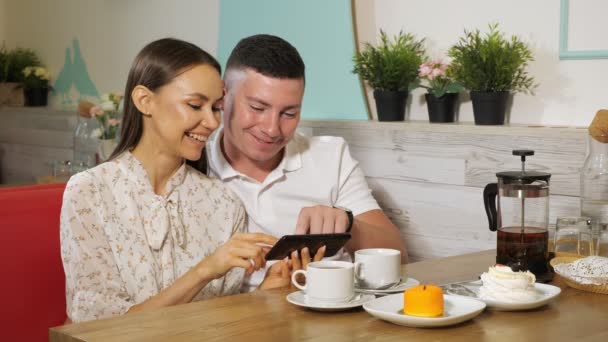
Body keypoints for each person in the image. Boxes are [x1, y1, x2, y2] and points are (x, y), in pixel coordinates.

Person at [60, 38, 296, 323]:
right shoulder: (90, 192)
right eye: (195, 105)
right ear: (144, 100)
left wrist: (266, 292)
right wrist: (205, 270)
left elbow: (224, 324)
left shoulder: (225, 204)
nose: (212, 122)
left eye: (216, 107)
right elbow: (98, 329)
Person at [206, 34, 407, 291]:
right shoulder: (195, 163)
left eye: (289, 113)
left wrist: (347, 226)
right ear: (223, 96)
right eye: (257, 108)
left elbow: (399, 255)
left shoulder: (330, 156)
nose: (271, 128)